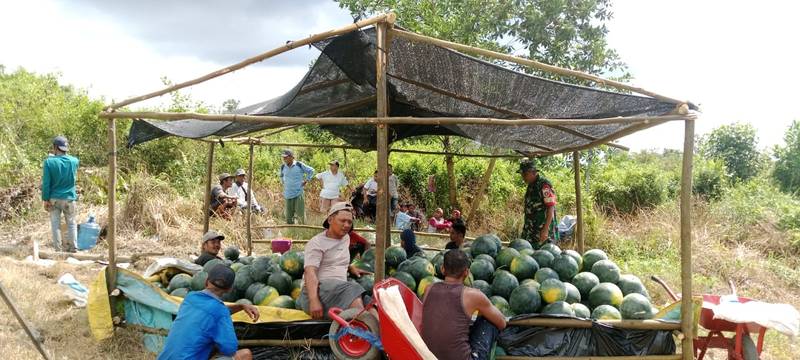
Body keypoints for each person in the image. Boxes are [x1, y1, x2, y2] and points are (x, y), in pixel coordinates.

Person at [158, 264, 259, 360]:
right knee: (245, 355)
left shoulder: (190, 297)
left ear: (206, 282)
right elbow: (229, 349)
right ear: (229, 289)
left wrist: (241, 306)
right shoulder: (220, 311)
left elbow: (211, 311)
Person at [421, 249, 507, 360]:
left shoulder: (429, 288)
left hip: (428, 356)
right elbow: (502, 323)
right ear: (466, 272)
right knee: (488, 321)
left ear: (442, 269)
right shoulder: (474, 295)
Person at [298, 202, 372, 319]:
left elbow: (336, 259)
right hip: (316, 293)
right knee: (353, 289)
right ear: (330, 220)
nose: (347, 225)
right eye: (342, 221)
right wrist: (313, 300)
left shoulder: (346, 238)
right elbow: (309, 272)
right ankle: (361, 329)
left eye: (349, 222)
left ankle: (377, 331)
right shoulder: (316, 243)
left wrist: (350, 267)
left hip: (338, 290)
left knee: (369, 301)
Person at [42, 135, 79, 252]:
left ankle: (58, 249)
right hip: (69, 198)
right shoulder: (74, 161)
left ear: (55, 147)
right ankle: (74, 248)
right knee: (72, 223)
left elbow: (46, 183)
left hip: (54, 199)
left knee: (55, 224)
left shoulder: (48, 162)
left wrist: (45, 199)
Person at [519, 159, 559, 248]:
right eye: (522, 174)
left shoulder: (544, 185)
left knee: (544, 257)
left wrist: (545, 230)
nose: (523, 177)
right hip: (531, 231)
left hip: (542, 231)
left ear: (533, 172)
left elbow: (551, 207)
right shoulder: (531, 186)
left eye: (525, 174)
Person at [279, 149, 315, 224]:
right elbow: (281, 175)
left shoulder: (299, 165)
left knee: (300, 217)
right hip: (288, 194)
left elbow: (311, 171)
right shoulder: (283, 167)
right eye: (283, 157)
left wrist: (306, 180)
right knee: (288, 218)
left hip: (298, 193)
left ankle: (302, 232)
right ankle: (291, 232)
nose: (284, 159)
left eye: (286, 157)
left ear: (292, 157)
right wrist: (283, 182)